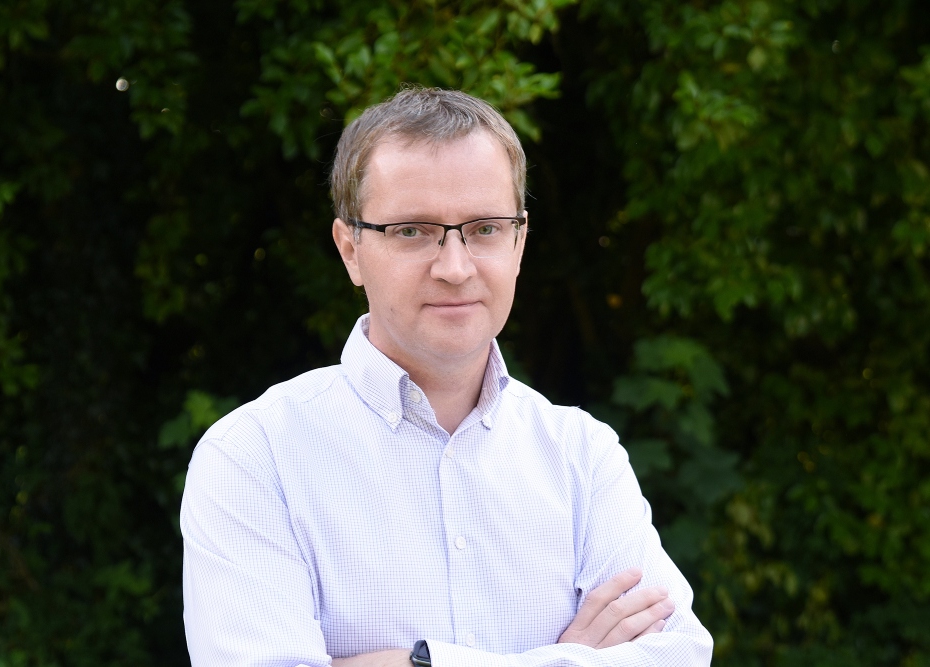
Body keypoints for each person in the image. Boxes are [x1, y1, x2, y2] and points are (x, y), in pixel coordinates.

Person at [180, 87, 713, 666]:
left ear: (519, 241)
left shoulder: (583, 456)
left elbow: (680, 654)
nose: (456, 268)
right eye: (413, 231)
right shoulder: (254, 458)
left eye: (484, 228)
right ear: (350, 249)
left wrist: (416, 663)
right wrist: (570, 659)